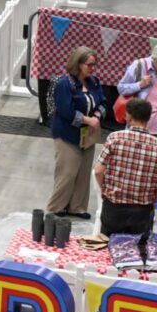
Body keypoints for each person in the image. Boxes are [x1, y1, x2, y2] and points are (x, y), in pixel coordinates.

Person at [93, 98, 157, 235]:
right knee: (137, 247)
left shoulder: (114, 138)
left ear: (129, 116)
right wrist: (153, 199)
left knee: (107, 245)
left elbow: (98, 171)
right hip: (142, 210)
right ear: (149, 118)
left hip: (114, 206)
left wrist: (105, 189)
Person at [49, 47, 105, 218]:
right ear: (78, 64)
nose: (93, 68)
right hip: (67, 134)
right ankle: (56, 207)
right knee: (67, 173)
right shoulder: (64, 84)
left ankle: (77, 207)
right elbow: (66, 111)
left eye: (95, 65)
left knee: (83, 173)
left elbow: (103, 102)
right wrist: (88, 120)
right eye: (89, 65)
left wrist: (97, 115)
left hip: (88, 135)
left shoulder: (94, 82)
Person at [114, 40, 157, 136]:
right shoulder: (139, 65)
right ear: (155, 59)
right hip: (139, 126)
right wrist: (139, 85)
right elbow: (121, 88)